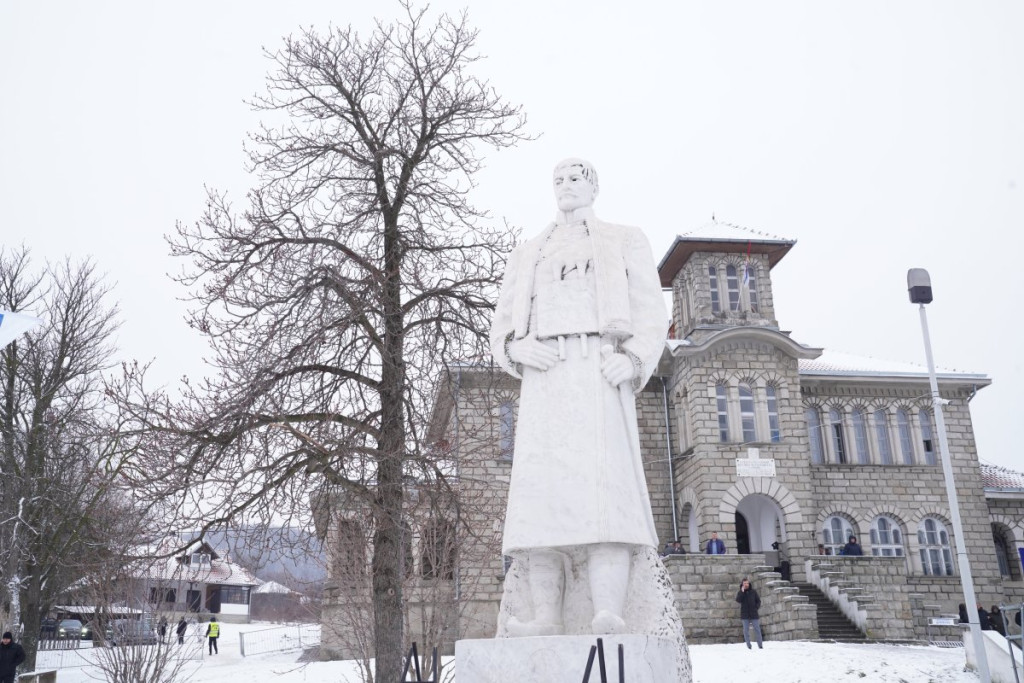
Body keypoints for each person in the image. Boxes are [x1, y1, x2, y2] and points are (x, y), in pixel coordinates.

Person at [490, 158, 668, 636]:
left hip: (598, 370)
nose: (565, 185)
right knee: (540, 501)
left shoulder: (624, 239)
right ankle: (546, 616)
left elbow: (652, 311)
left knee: (605, 495)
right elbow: (502, 324)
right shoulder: (528, 252)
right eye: (558, 180)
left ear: (593, 187)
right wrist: (514, 349)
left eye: (575, 178)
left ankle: (608, 610)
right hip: (544, 375)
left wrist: (634, 360)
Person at [735, 578, 763, 650]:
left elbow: (758, 601)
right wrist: (742, 592)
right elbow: (738, 600)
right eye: (744, 583)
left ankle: (760, 645)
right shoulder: (740, 592)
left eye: (747, 583)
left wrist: (756, 608)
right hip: (745, 615)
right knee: (746, 630)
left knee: (757, 629)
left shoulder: (753, 592)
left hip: (754, 614)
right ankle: (748, 645)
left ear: (749, 584)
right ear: (742, 584)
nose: (746, 585)